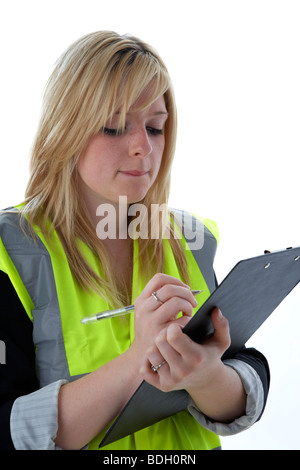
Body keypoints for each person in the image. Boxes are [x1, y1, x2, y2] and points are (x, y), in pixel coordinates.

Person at [0, 31, 270, 450]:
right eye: (114, 127)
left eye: (156, 127)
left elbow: (241, 373)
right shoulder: (10, 251)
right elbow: (8, 431)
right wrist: (134, 363)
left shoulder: (189, 239)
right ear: (65, 129)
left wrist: (206, 376)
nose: (143, 147)